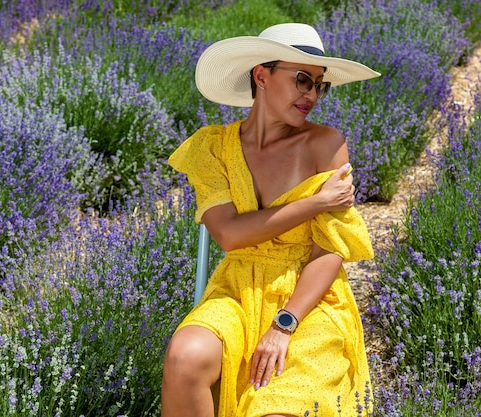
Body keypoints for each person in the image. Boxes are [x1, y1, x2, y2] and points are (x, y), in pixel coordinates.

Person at [162, 22, 380, 417]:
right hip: (237, 288)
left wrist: (284, 324)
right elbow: (228, 235)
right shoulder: (213, 148)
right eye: (302, 79)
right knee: (184, 357)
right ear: (261, 75)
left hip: (310, 301)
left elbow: (331, 250)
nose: (312, 94)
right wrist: (314, 203)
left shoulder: (325, 144)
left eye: (319, 84)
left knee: (280, 409)